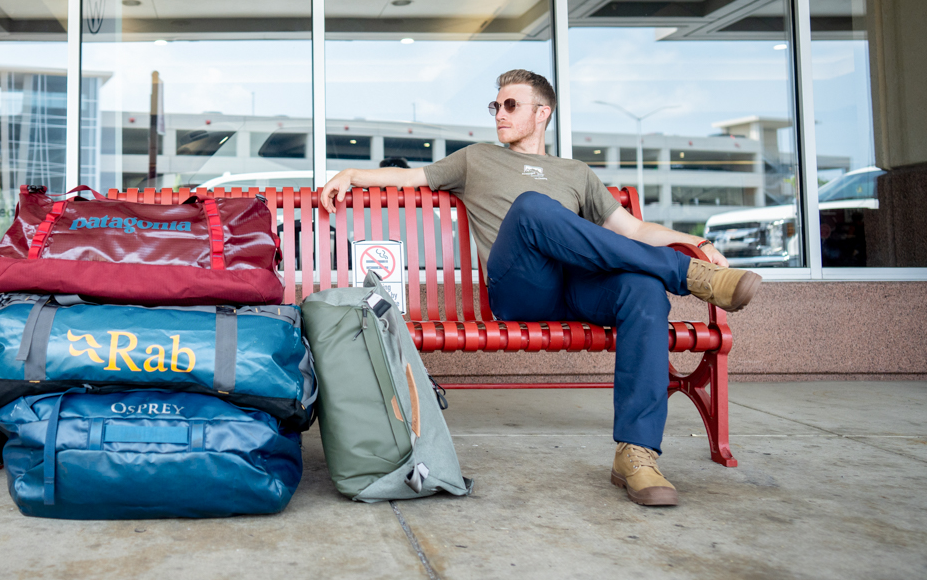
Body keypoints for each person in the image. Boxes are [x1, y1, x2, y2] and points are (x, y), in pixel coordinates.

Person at [320, 69, 760, 507]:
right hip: (521, 288)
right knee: (532, 207)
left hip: (577, 291)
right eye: (496, 106)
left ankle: (637, 454)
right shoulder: (477, 159)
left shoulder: (575, 172)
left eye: (511, 105)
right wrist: (352, 174)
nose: (500, 115)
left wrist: (697, 242)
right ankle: (690, 277)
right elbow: (411, 178)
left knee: (645, 292)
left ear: (542, 112)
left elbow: (634, 228)